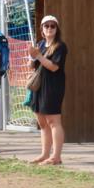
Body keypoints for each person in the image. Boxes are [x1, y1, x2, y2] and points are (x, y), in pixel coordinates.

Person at [28, 15, 68, 165]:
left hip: (53, 86)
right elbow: (33, 66)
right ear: (42, 29)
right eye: (46, 26)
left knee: (53, 121)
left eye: (52, 26)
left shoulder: (60, 46)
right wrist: (32, 57)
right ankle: (45, 154)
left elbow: (53, 67)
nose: (49, 28)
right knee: (42, 122)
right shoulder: (40, 44)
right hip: (39, 86)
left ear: (57, 29)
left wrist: (38, 55)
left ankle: (56, 156)